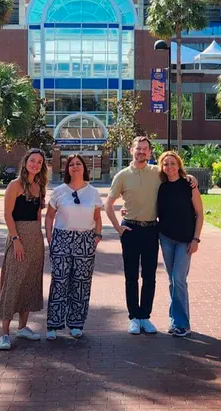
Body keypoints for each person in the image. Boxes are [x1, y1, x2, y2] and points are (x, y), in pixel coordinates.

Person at [104, 136, 197, 335]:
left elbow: (176, 175)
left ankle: (145, 316)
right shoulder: (122, 176)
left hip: (152, 230)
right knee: (131, 276)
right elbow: (108, 204)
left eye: (145, 149)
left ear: (150, 152)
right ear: (131, 150)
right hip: (130, 229)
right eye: (138, 148)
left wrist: (190, 177)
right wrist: (118, 228)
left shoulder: (157, 173)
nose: (141, 152)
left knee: (149, 276)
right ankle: (134, 317)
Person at [43, 154, 103, 340]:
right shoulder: (59, 191)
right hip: (62, 238)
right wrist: (50, 236)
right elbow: (50, 216)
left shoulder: (92, 192)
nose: (75, 166)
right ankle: (54, 324)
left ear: (84, 168)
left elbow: (97, 218)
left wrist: (97, 236)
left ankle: (76, 323)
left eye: (78, 164)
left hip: (85, 240)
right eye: (71, 164)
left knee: (81, 283)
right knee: (59, 281)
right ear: (67, 169)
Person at [0, 149, 47, 351]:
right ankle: (4, 334)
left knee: (29, 282)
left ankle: (23, 327)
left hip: (35, 238)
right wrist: (16, 239)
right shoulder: (14, 185)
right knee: (13, 282)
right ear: (25, 162)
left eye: (39, 162)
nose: (35, 164)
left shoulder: (39, 186)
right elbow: (7, 214)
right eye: (32, 160)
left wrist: (39, 236)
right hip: (18, 236)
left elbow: (38, 215)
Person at [155, 151, 204, 337]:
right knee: (172, 280)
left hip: (185, 240)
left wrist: (196, 239)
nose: (169, 167)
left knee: (178, 279)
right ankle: (175, 320)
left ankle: (183, 324)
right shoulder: (161, 187)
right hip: (166, 238)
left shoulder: (189, 185)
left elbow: (200, 213)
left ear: (179, 165)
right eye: (166, 164)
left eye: (172, 163)